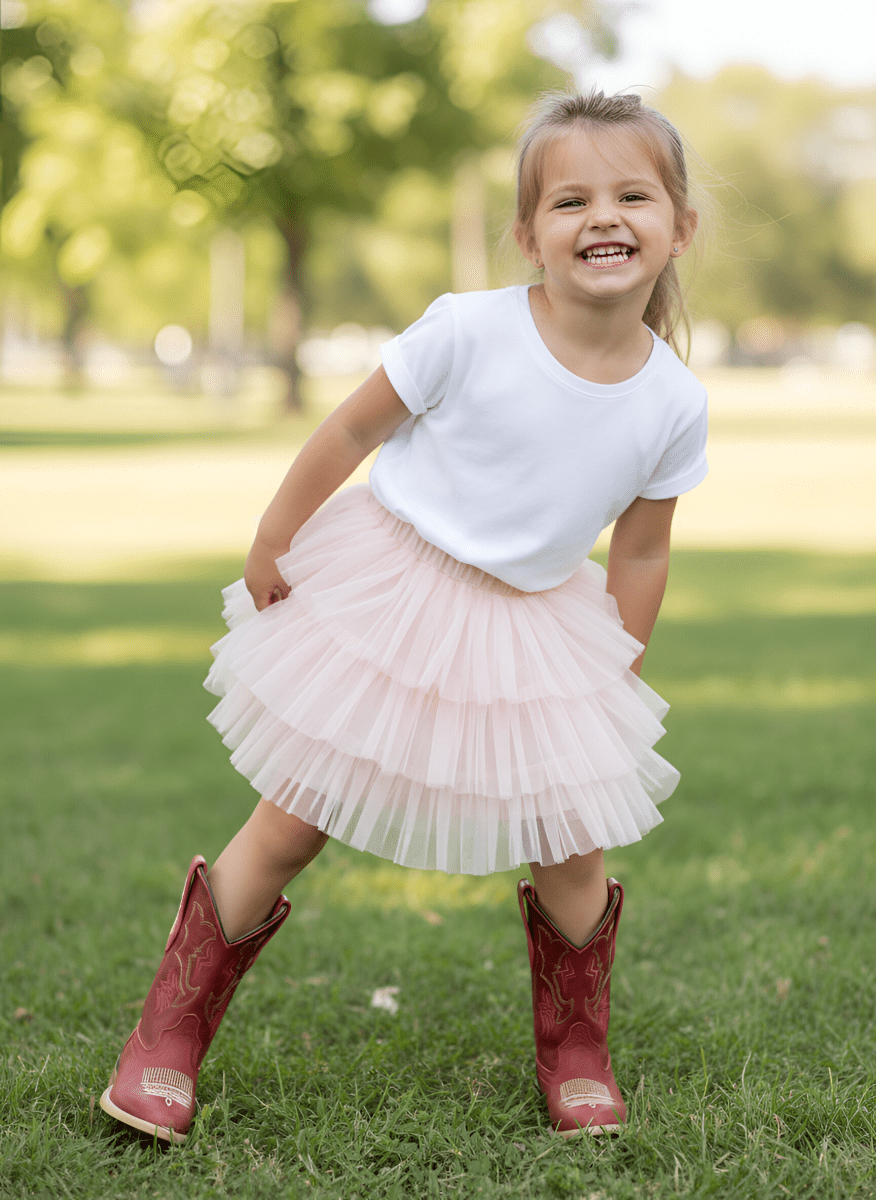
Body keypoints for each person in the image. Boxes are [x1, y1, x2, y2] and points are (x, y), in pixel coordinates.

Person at [100, 89, 708, 1143]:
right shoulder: (468, 329)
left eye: (632, 195)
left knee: (573, 843)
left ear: (678, 225)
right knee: (293, 821)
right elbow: (347, 433)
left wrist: (619, 663)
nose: (602, 217)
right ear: (529, 234)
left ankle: (577, 1052)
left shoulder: (672, 400)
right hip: (394, 591)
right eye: (570, 199)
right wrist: (273, 536)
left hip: (536, 622)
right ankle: (169, 1033)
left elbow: (643, 546)